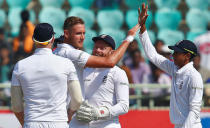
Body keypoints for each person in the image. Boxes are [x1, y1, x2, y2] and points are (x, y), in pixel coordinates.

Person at [138, 3, 203, 128]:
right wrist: (143, 28)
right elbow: (153, 56)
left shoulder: (194, 76)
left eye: (177, 52)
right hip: (178, 125)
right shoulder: (174, 68)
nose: (173, 55)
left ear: (187, 56)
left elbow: (194, 111)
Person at [10, 23, 83, 128]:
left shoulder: (20, 66)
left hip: (32, 122)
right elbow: (77, 100)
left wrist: (26, 123)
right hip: (59, 122)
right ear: (53, 39)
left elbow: (16, 106)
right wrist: (68, 115)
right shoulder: (66, 64)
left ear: (33, 39)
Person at [74, 34, 129, 128]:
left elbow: (124, 106)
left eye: (102, 48)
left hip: (108, 125)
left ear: (112, 52)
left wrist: (100, 113)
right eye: (96, 47)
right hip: (83, 124)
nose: (97, 50)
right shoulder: (84, 71)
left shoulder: (118, 73)